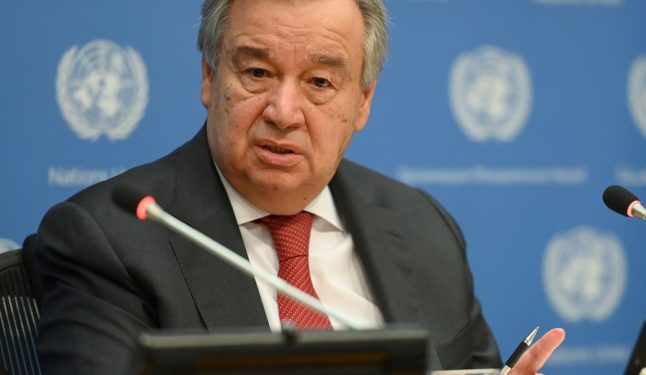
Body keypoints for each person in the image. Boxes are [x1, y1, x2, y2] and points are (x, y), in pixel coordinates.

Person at [35, 0, 564, 374]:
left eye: (319, 83)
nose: (284, 113)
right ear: (209, 77)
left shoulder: (423, 226)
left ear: (362, 103)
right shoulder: (109, 238)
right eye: (258, 72)